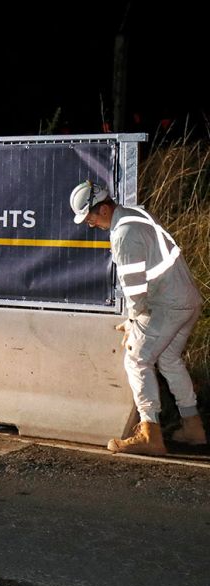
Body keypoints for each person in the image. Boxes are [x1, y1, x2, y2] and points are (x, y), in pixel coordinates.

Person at [70, 180, 207, 455]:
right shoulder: (137, 213)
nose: (90, 224)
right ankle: (193, 428)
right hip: (186, 301)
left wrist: (133, 324)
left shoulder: (124, 233)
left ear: (104, 210)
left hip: (168, 305)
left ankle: (149, 434)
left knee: (136, 359)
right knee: (168, 359)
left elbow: (135, 292)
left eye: (90, 218)